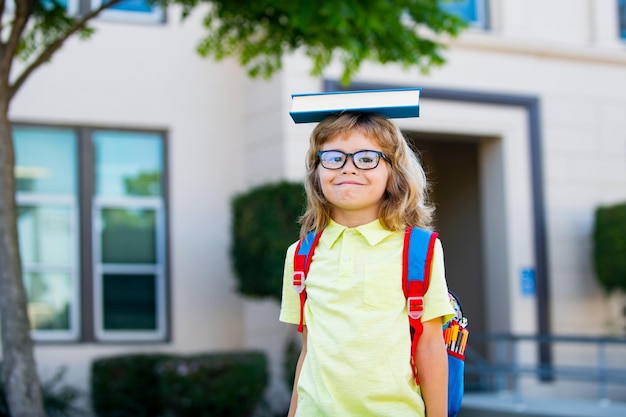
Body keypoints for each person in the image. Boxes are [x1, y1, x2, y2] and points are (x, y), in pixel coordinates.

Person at [279, 112, 455, 417]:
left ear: (392, 171)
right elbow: (308, 352)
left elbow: (430, 346)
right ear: (316, 172)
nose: (348, 168)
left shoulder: (420, 250)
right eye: (333, 158)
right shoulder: (299, 255)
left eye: (366, 158)